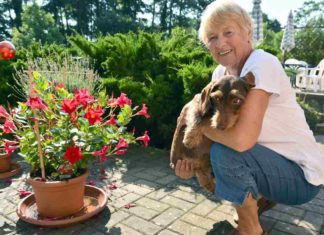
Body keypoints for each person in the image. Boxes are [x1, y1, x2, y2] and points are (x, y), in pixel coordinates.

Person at [174, 1, 323, 235]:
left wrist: (199, 125)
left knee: (226, 153)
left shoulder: (262, 63)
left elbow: (241, 141)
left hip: (301, 177)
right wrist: (190, 163)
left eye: (228, 33)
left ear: (248, 33)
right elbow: (214, 128)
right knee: (217, 157)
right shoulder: (220, 75)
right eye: (212, 37)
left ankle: (250, 229)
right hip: (270, 164)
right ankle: (261, 200)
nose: (220, 43)